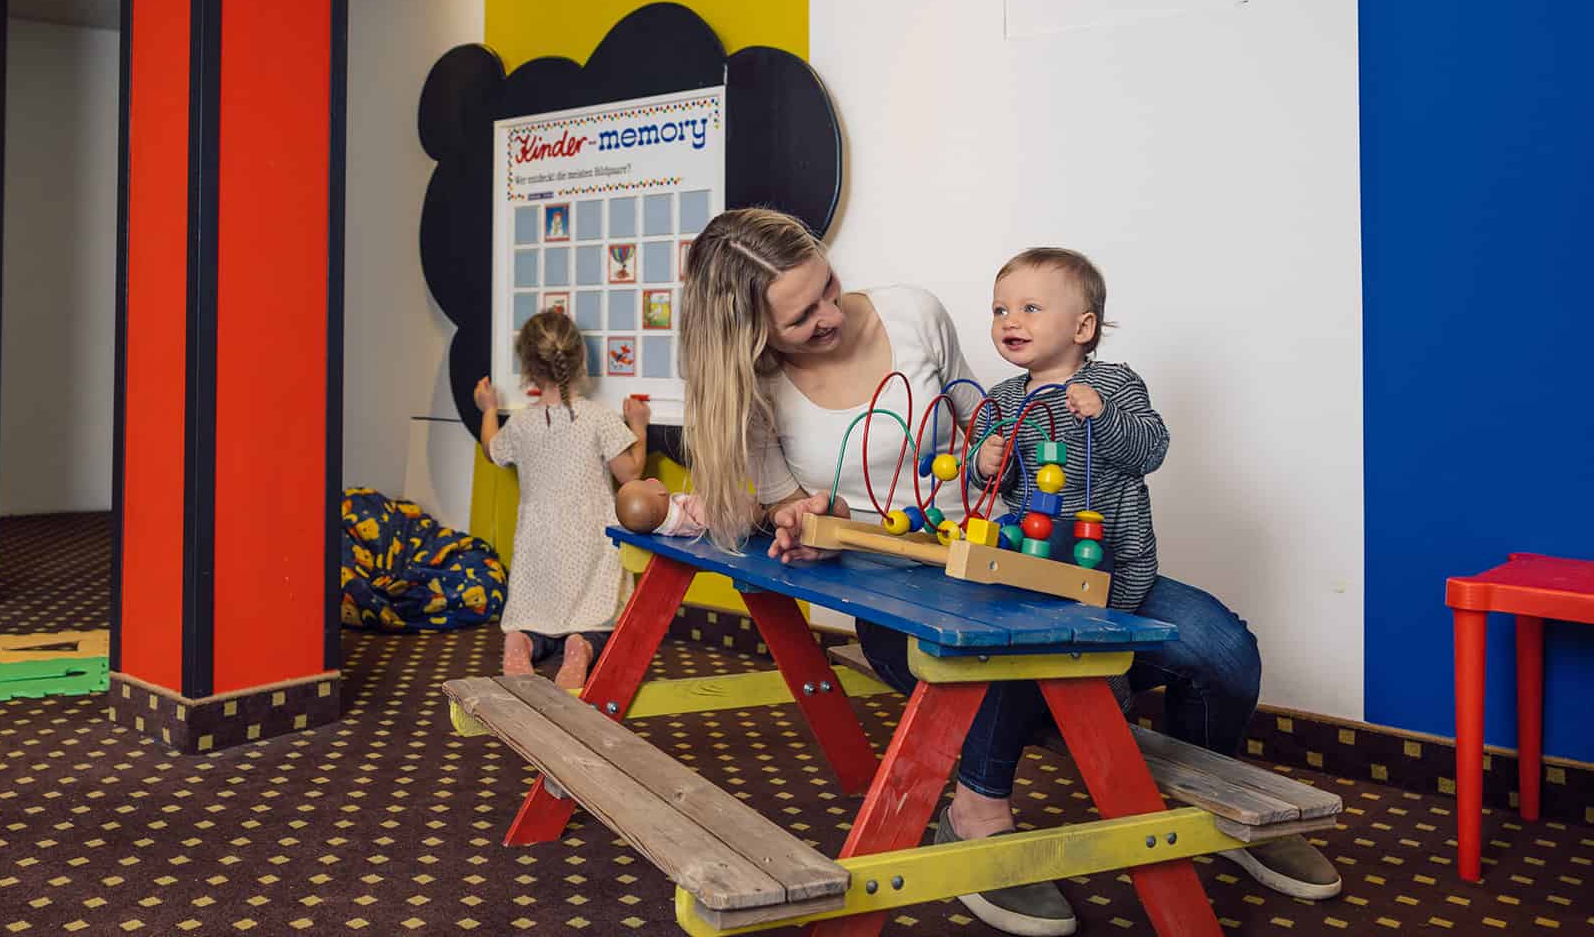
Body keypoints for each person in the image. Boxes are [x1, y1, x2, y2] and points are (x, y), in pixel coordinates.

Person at [678, 211, 1339, 937]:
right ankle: (975, 813)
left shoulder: (912, 312)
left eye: (829, 286)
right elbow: (786, 512)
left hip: (1014, 551)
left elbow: (980, 414)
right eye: (804, 317)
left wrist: (1003, 446)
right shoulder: (752, 388)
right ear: (754, 334)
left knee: (1222, 649)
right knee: (1003, 660)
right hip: (896, 586)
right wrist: (810, 522)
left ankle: (1224, 807)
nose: (832, 313)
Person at [475, 310, 651, 689]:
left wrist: (489, 409)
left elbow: (492, 449)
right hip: (589, 539)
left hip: (538, 542)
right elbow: (631, 474)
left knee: (531, 617)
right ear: (580, 361)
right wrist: (638, 426)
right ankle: (581, 645)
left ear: (528, 370)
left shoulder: (521, 423)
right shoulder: (598, 418)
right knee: (597, 618)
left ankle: (519, 641)